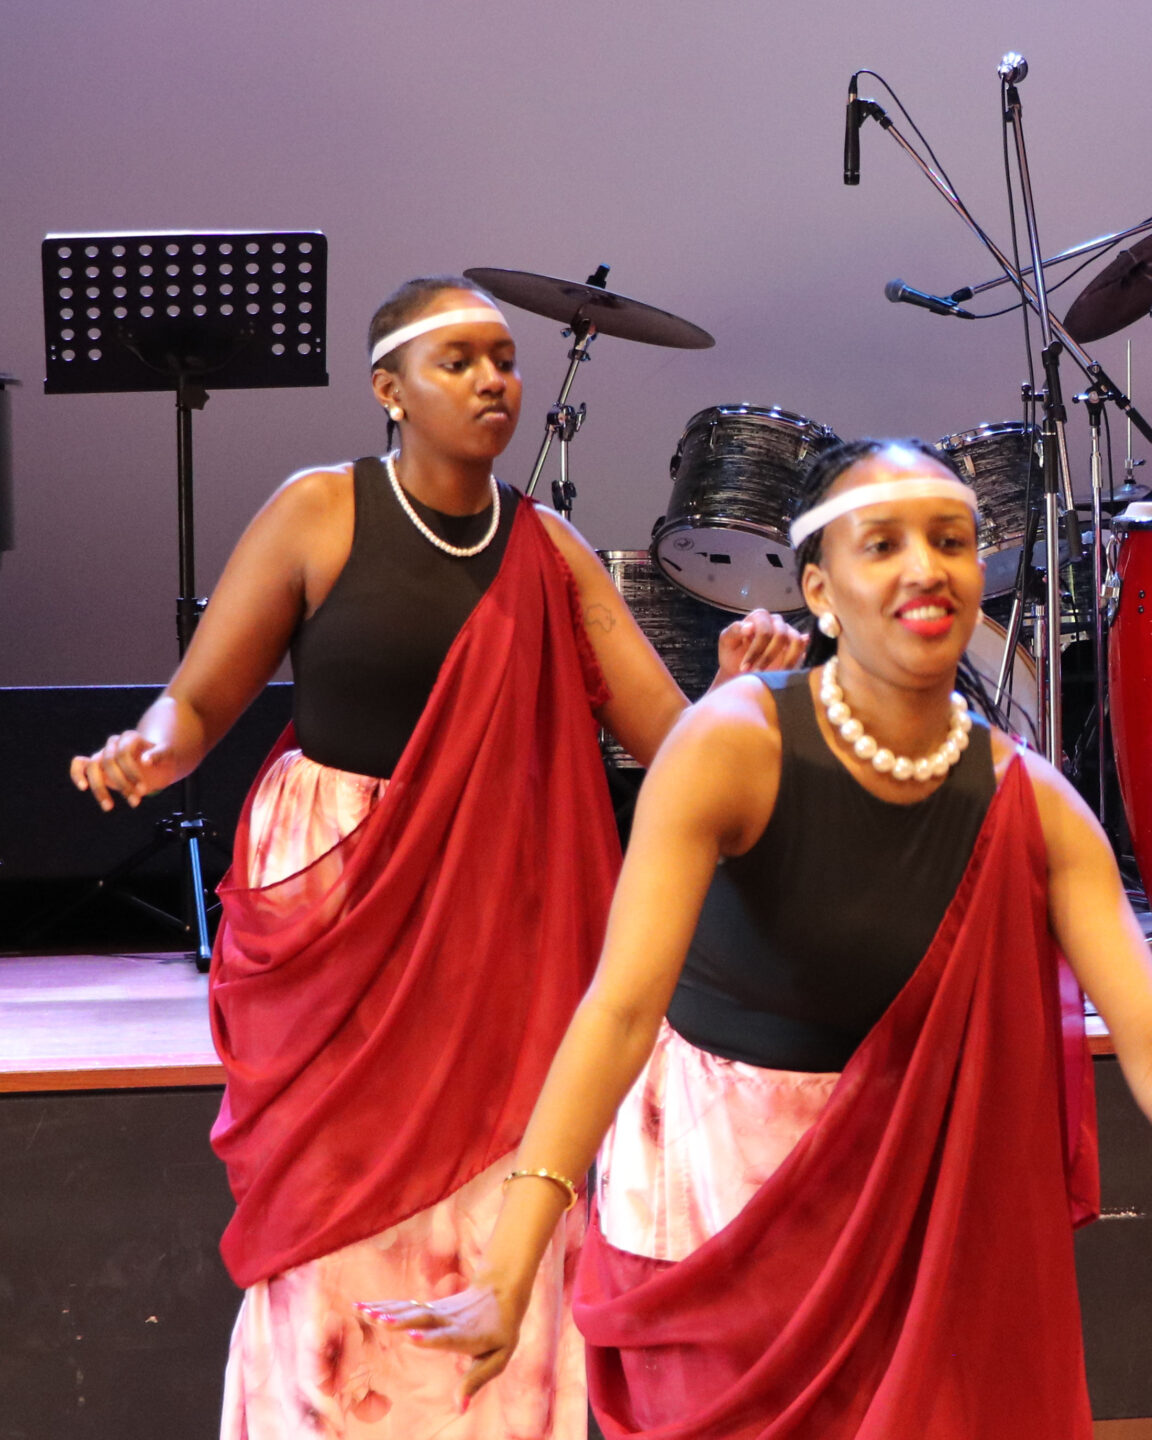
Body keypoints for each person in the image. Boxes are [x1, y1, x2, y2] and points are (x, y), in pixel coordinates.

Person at [362, 437, 1152, 1437]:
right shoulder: (733, 744)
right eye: (882, 543)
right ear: (817, 588)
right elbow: (617, 1013)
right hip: (713, 1209)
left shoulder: (1034, 802)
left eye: (950, 540)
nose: (925, 568)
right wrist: (512, 1267)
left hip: (918, 1224)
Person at [66, 276, 801, 1440]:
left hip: (502, 917)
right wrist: (144, 753)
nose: (492, 380)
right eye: (456, 360)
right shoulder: (318, 512)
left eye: (502, 359)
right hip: (342, 906)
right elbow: (198, 702)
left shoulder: (550, 552)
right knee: (338, 1196)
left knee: (506, 1176)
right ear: (388, 390)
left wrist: (733, 690)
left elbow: (673, 746)